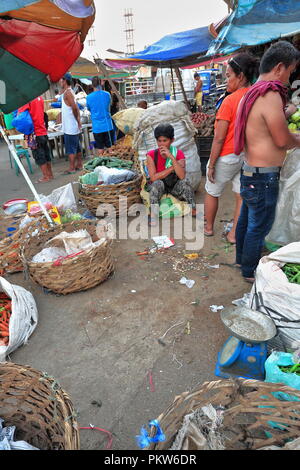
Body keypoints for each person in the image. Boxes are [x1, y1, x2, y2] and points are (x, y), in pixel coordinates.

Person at [234, 41, 300, 283]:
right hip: (264, 176)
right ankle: (250, 272)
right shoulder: (270, 94)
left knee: (246, 222)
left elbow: (263, 126)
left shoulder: (251, 93)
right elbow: (282, 139)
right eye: (291, 71)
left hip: (249, 170)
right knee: (258, 226)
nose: (289, 76)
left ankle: (242, 260)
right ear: (280, 67)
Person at [204, 53, 259, 243]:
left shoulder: (229, 101)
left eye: (228, 76)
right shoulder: (256, 96)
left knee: (212, 191)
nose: (225, 80)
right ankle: (234, 234)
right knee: (240, 195)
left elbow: (218, 139)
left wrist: (211, 165)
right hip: (245, 155)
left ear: (241, 76)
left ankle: (209, 228)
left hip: (226, 156)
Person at [146, 124, 196, 226]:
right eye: (159, 141)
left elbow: (182, 176)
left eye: (165, 141)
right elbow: (153, 177)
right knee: (157, 183)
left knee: (185, 182)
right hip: (160, 187)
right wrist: (173, 167)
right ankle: (153, 214)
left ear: (172, 140)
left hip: (173, 186)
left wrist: (172, 158)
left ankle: (193, 209)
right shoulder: (151, 155)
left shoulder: (178, 153)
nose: (161, 144)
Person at [19, 96, 53, 183]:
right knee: (46, 153)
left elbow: (21, 117)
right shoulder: (40, 98)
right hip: (43, 130)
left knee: (39, 155)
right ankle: (50, 174)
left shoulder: (26, 99)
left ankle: (46, 177)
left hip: (34, 133)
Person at [59, 72, 82, 174]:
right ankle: (79, 165)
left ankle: (72, 167)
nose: (60, 81)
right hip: (72, 125)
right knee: (77, 146)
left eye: (61, 80)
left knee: (71, 149)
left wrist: (77, 120)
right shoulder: (69, 92)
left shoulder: (68, 93)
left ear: (65, 81)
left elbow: (74, 108)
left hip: (70, 126)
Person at [86, 76, 115, 156]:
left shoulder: (89, 97)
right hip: (108, 125)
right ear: (101, 83)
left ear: (92, 85)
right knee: (110, 148)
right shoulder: (107, 94)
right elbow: (109, 105)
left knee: (100, 149)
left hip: (97, 127)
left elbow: (89, 108)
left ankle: (102, 164)